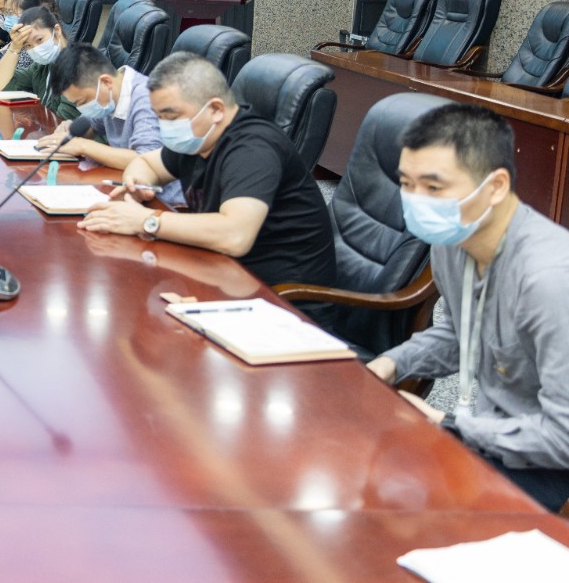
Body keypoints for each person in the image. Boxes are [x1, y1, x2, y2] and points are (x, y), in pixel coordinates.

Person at [366, 105, 569, 511]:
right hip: (488, 434)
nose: (415, 201)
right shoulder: (453, 239)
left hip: (545, 464)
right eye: (406, 183)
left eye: (433, 187)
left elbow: (563, 437)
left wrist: (449, 425)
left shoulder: (549, 280)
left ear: (495, 187)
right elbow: (463, 332)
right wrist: (389, 364)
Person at [77, 52, 336, 292]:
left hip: (281, 299)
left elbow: (235, 235)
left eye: (171, 117)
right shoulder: (199, 138)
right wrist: (137, 186)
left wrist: (146, 220)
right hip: (223, 274)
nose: (165, 126)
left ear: (216, 110)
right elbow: (145, 163)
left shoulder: (253, 149)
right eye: (159, 117)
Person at [42, 44, 183, 205]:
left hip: (164, 202)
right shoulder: (110, 94)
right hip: (126, 188)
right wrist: (70, 132)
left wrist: (82, 146)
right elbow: (91, 125)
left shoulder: (146, 99)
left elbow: (146, 161)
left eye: (83, 101)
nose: (81, 108)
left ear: (106, 82)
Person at [0, 6, 80, 123]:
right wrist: (15, 47)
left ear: (57, 30)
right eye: (28, 45)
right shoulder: (42, 66)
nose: (36, 49)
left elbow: (63, 121)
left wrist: (35, 119)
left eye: (39, 40)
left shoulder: (78, 66)